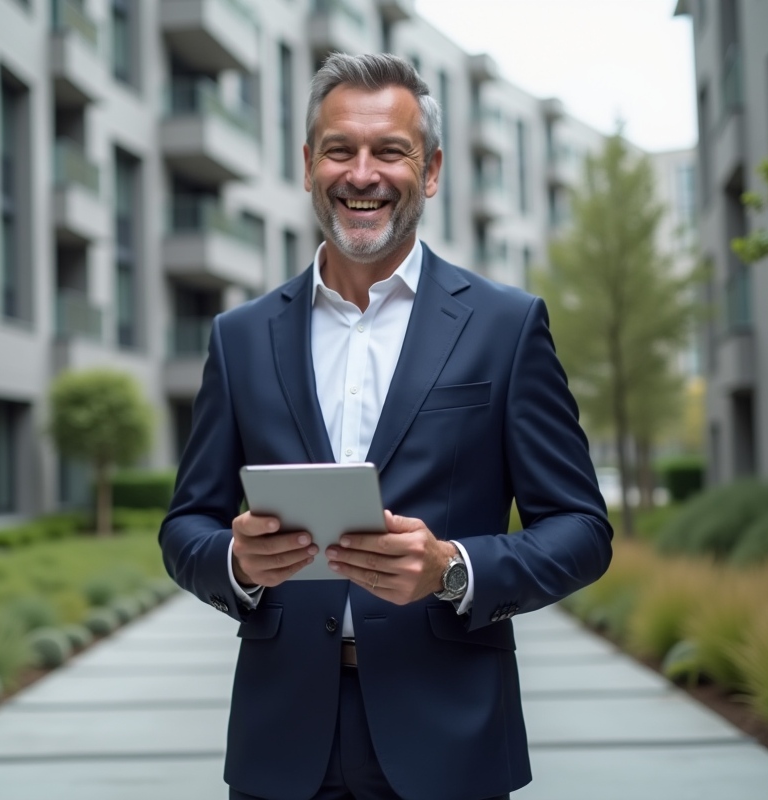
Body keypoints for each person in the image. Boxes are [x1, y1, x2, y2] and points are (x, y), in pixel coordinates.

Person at [159, 53, 612, 800]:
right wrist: (236, 565)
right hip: (282, 742)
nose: (361, 173)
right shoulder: (239, 338)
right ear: (308, 165)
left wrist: (454, 569)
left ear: (430, 170)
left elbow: (581, 529)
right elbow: (184, 528)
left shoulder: (506, 327)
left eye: (389, 152)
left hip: (452, 736)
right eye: (340, 149)